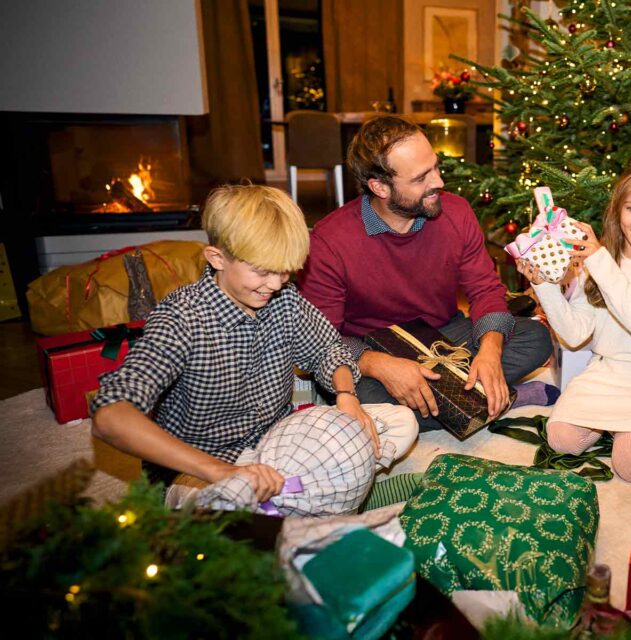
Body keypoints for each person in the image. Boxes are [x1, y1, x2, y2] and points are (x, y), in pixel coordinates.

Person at [91, 185, 418, 503]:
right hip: (202, 466)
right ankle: (318, 498)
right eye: (263, 272)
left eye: (285, 272)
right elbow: (111, 416)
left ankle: (294, 499)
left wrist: (346, 396)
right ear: (217, 258)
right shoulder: (181, 318)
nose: (275, 284)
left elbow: (328, 349)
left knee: (400, 423)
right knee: (225, 503)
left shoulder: (284, 298)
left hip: (276, 442)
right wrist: (221, 471)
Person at [299, 115, 552, 431]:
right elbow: (320, 341)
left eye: (435, 167)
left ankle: (460, 398)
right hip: (372, 347)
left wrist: (489, 350)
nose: (439, 182)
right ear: (380, 187)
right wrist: (381, 366)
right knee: (358, 395)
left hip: (444, 337)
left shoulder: (456, 212)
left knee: (536, 338)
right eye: (421, 178)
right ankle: (490, 398)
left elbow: (486, 289)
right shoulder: (329, 241)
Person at [517, 161, 631, 482]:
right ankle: (622, 427)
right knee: (560, 439)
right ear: (617, 210)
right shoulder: (598, 264)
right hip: (605, 369)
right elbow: (574, 334)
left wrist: (598, 257)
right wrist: (543, 283)